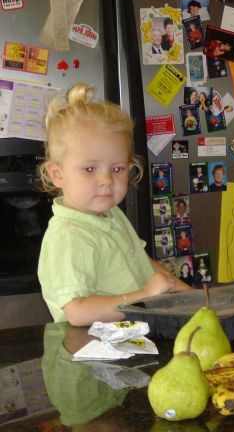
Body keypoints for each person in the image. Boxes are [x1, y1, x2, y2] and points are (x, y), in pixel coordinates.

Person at [37, 83, 190, 326]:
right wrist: (144, 297)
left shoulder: (110, 214)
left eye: (117, 168)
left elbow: (143, 264)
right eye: (89, 169)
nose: (107, 181)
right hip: (97, 355)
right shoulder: (68, 236)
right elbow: (77, 312)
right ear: (57, 174)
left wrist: (194, 300)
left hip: (132, 341)